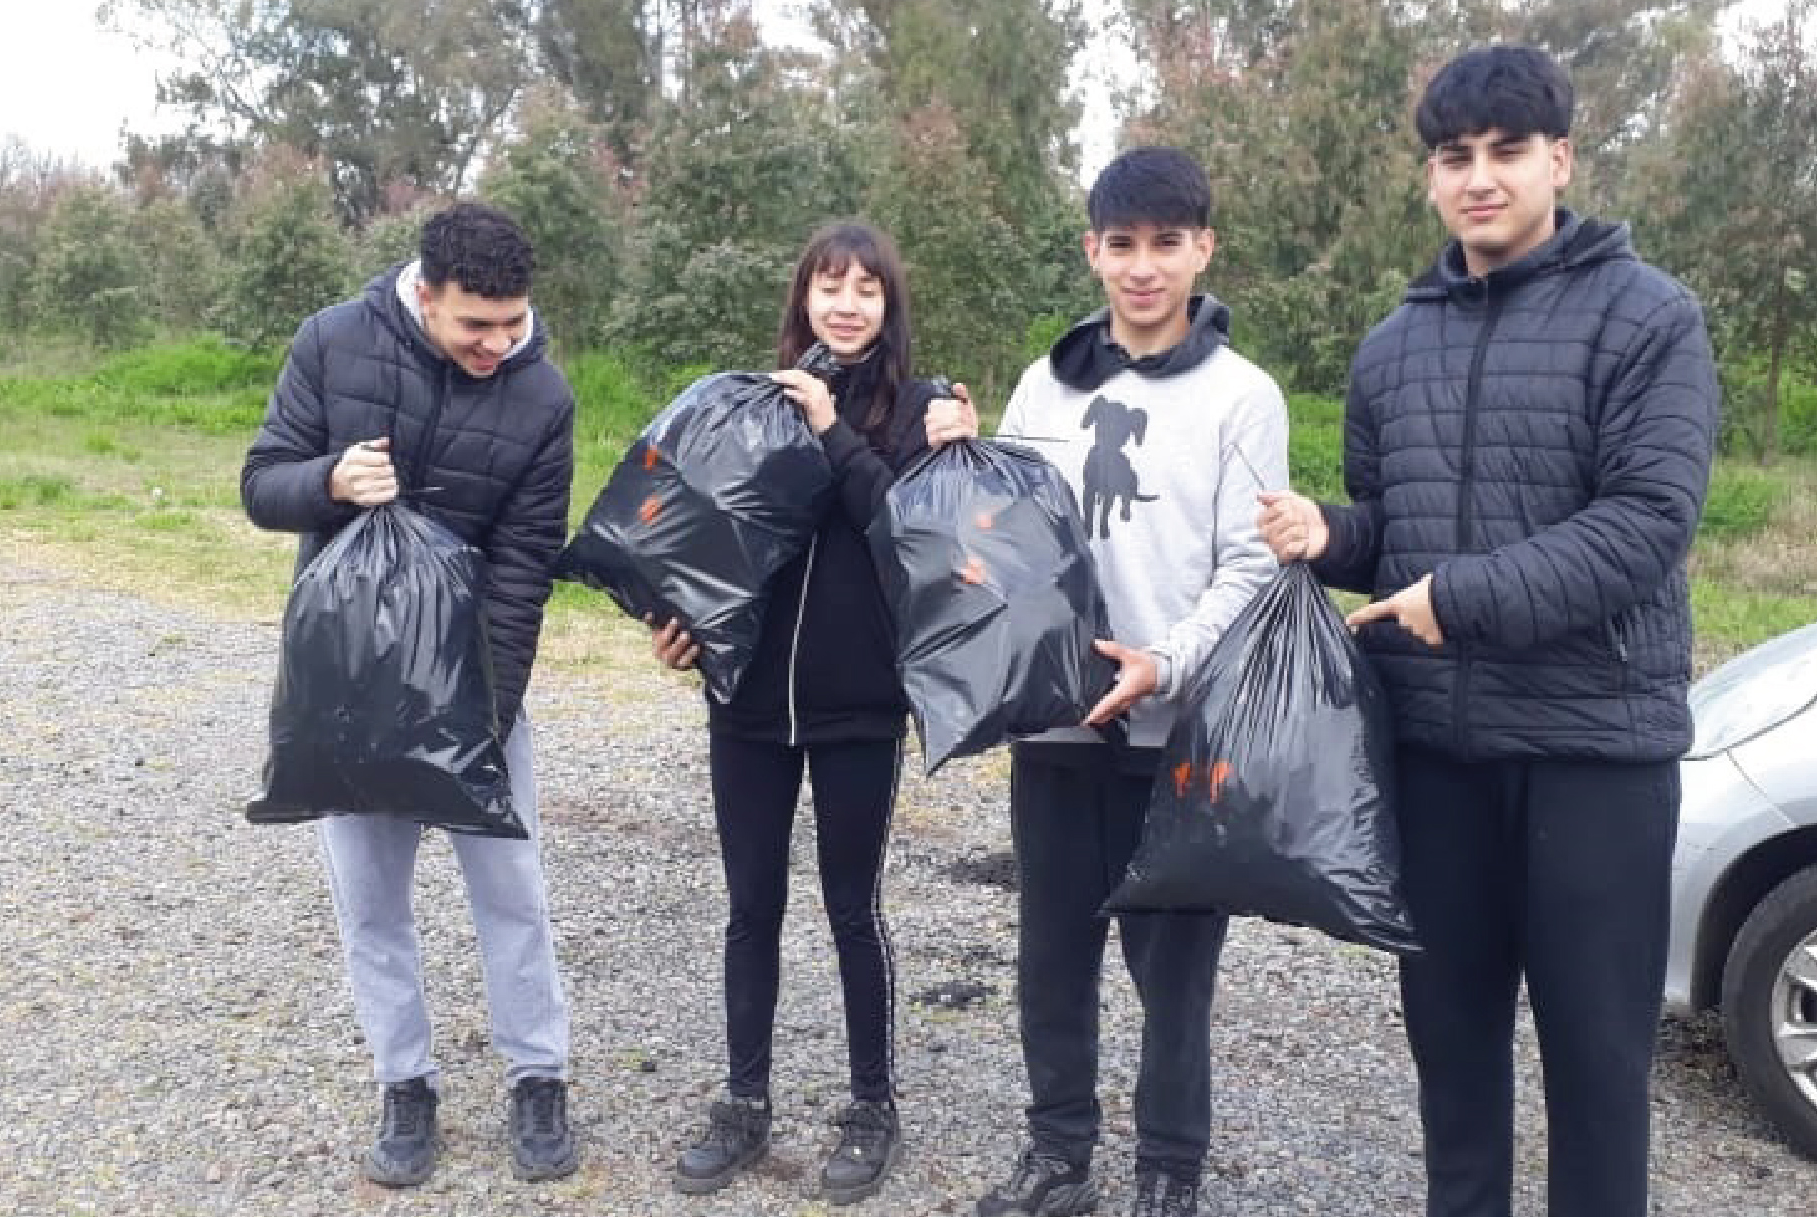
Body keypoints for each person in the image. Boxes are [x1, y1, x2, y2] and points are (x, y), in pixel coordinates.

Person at [1257, 45, 1719, 1217]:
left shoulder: (1648, 317)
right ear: (1429, 176)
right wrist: (1334, 532)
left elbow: (1644, 525)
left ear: (1558, 158)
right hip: (1436, 757)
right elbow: (1396, 524)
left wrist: (1455, 599)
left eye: (1506, 152)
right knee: (1451, 1051)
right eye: (1453, 157)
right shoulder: (1390, 345)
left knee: (1597, 1064)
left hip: (1592, 754)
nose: (1479, 177)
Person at [955, 147, 1288, 1217]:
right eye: (1121, 245)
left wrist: (1165, 660)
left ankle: (1167, 1173)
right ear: (1091, 250)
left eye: (1165, 244)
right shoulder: (1041, 383)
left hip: (1178, 736)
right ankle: (1058, 1155)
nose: (1142, 268)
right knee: (1053, 955)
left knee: (1172, 975)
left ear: (1203, 249)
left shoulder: (1245, 397)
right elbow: (1000, 534)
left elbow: (1250, 562)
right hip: (1055, 730)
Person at [239, 201, 580, 1189]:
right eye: (476, 324)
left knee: (513, 893)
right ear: (423, 293)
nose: (497, 343)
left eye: (512, 323)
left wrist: (489, 711)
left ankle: (538, 1075)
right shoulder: (331, 344)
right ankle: (405, 1081)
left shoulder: (543, 397)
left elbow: (523, 571)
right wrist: (329, 484)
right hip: (343, 688)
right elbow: (261, 483)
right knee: (369, 901)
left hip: (474, 688)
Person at [643, 220, 970, 1206]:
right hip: (744, 703)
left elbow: (901, 527)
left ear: (889, 305)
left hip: (858, 705)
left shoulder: (923, 411)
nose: (846, 302)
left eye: (866, 287)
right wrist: (680, 623)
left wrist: (832, 426)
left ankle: (872, 1105)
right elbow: (702, 534)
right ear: (801, 300)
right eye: (829, 284)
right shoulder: (750, 403)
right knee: (751, 906)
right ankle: (744, 1101)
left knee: (850, 908)